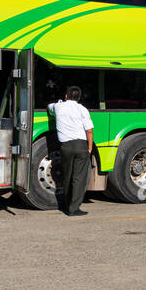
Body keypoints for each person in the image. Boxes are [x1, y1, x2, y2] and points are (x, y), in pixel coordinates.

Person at [49, 86, 94, 216]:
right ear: (79, 98)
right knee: (79, 177)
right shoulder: (82, 109)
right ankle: (74, 209)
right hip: (81, 145)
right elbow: (89, 130)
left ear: (66, 96)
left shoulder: (58, 107)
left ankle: (66, 203)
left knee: (67, 175)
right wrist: (89, 147)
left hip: (65, 146)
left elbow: (49, 107)